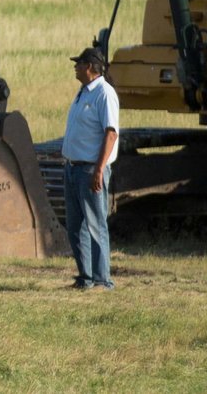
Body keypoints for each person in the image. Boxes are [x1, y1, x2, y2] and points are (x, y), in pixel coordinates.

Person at [62, 46, 122, 290]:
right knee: (75, 227)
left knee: (96, 224)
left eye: (78, 63)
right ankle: (85, 277)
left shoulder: (104, 93)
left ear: (89, 67)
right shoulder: (83, 92)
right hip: (73, 168)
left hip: (90, 170)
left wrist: (98, 170)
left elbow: (111, 133)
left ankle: (102, 280)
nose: (75, 67)